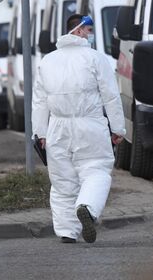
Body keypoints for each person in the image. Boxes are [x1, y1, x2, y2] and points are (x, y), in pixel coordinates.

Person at [32, 14, 125, 244]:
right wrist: (118, 129)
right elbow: (111, 96)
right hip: (90, 124)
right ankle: (87, 207)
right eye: (89, 30)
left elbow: (39, 101)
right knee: (96, 170)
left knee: (63, 181)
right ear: (79, 30)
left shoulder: (47, 61)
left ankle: (66, 231)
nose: (91, 34)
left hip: (57, 127)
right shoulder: (96, 59)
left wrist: (40, 133)